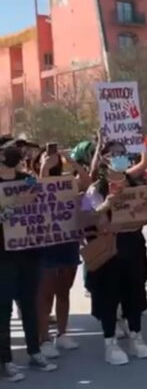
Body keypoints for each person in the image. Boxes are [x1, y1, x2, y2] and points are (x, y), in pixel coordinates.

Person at [82, 141, 147, 365]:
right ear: (104, 159)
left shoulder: (134, 183)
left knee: (134, 290)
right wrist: (106, 206)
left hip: (132, 244)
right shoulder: (97, 188)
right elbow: (88, 218)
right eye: (114, 154)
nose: (120, 157)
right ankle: (110, 342)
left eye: (122, 154)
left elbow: (144, 212)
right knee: (108, 295)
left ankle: (136, 335)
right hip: (108, 249)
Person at [0, 143, 58, 382]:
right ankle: (7, 361)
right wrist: (15, 205)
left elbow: (45, 199)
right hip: (3, 256)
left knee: (29, 306)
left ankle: (34, 351)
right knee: (3, 310)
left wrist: (44, 172)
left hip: (29, 252)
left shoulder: (27, 179)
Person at [36, 148, 91, 359]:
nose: (50, 159)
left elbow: (86, 182)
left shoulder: (68, 182)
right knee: (45, 295)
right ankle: (44, 338)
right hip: (45, 244)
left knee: (63, 291)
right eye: (44, 157)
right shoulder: (31, 181)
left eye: (53, 158)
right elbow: (41, 194)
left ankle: (62, 333)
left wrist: (72, 162)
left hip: (67, 242)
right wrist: (43, 169)